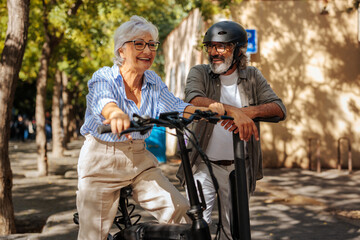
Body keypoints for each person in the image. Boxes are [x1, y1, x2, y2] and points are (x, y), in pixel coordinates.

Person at [76, 15, 222, 240]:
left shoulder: (153, 80)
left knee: (183, 214)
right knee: (92, 234)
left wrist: (204, 111)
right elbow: (103, 101)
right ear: (121, 50)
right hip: (101, 161)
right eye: (139, 44)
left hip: (139, 159)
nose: (148, 50)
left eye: (152, 45)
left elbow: (175, 106)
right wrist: (115, 114)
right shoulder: (104, 76)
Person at [176, 20, 287, 239]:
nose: (213, 52)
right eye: (210, 46)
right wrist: (235, 113)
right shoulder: (199, 72)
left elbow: (279, 109)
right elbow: (195, 99)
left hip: (239, 167)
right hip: (203, 164)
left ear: (237, 50)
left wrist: (248, 112)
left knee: (233, 229)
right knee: (198, 227)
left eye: (221, 47)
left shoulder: (253, 76)